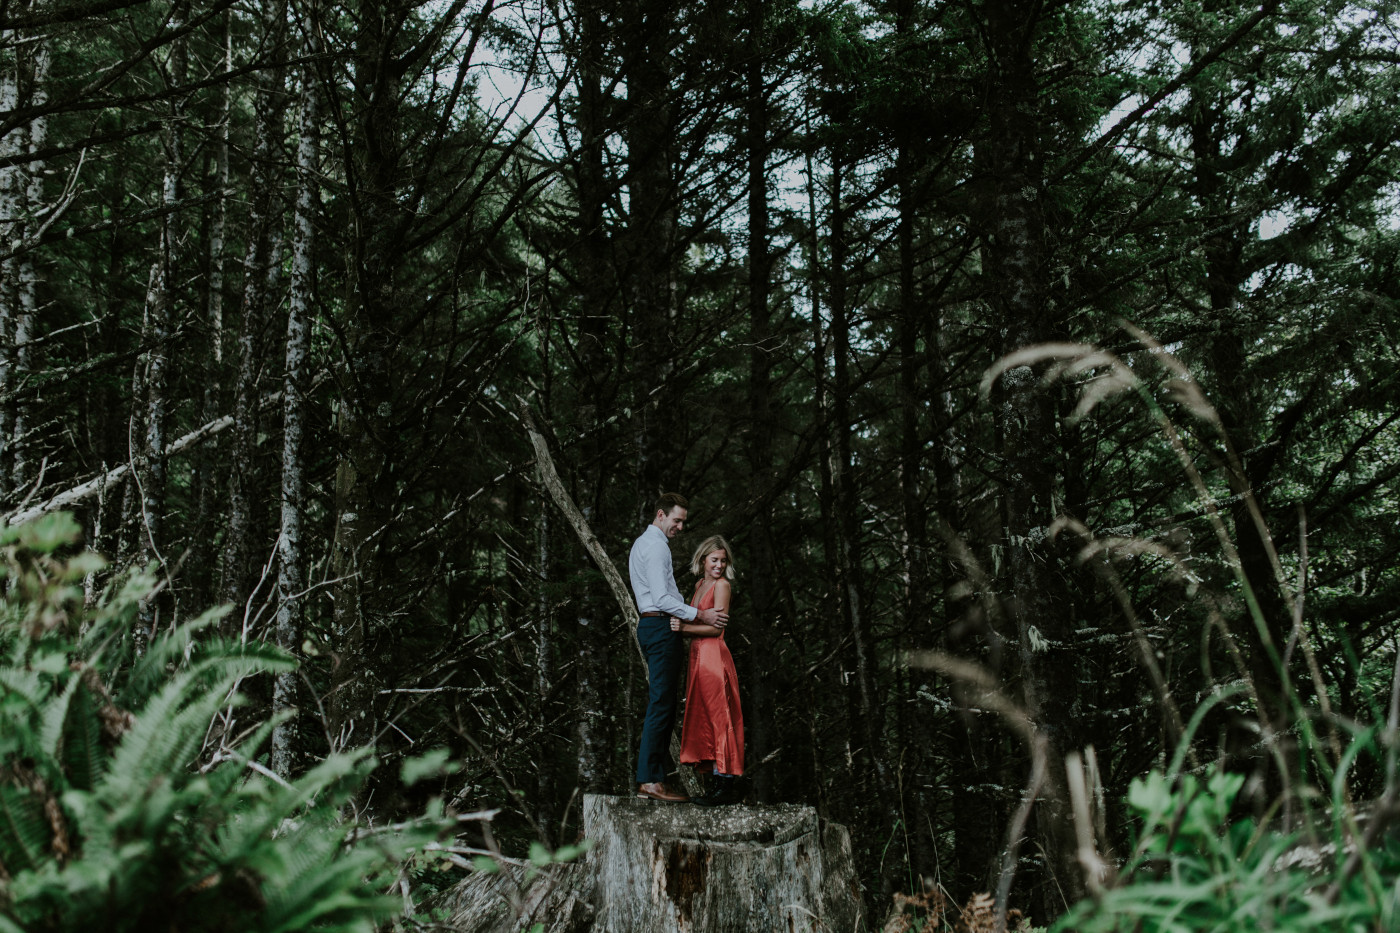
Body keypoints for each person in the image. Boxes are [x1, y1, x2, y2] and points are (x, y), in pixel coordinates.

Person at [628, 492, 729, 802]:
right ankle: (650, 781)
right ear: (661, 515)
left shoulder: (642, 543)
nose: (681, 526)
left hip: (653, 625)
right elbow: (661, 598)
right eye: (676, 520)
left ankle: (652, 778)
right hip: (658, 625)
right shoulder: (656, 547)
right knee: (662, 703)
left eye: (683, 521)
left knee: (663, 701)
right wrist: (700, 613)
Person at [671, 535, 746, 806]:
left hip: (713, 657)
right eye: (715, 560)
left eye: (723, 561)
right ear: (703, 560)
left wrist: (684, 629)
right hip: (698, 657)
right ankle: (716, 781)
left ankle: (725, 784)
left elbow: (717, 629)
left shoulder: (723, 586)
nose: (719, 565)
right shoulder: (700, 584)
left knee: (719, 716)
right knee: (703, 716)